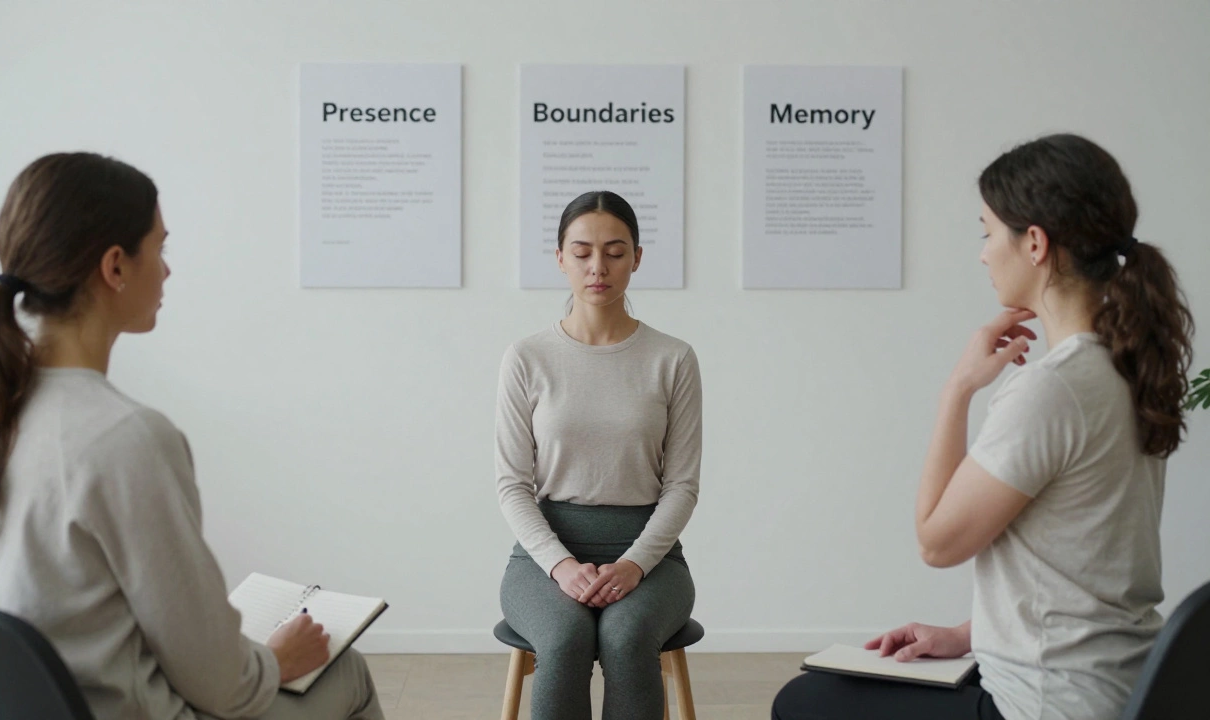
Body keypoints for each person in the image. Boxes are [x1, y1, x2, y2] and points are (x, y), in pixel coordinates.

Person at [0, 152, 383, 720]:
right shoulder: (127, 438)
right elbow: (224, 687)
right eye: (160, 248)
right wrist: (276, 658)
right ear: (115, 266)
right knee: (346, 673)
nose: (167, 270)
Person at [773, 133, 1195, 720]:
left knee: (804, 704)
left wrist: (958, 389)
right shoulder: (1127, 366)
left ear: (1036, 243)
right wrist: (967, 633)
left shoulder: (1053, 388)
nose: (982, 252)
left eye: (987, 231)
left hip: (1044, 703)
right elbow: (1085, 564)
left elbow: (936, 542)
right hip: (1114, 684)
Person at [496, 190, 702, 720]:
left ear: (636, 257)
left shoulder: (672, 358)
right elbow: (513, 485)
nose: (598, 267)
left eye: (614, 251)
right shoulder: (527, 357)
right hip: (545, 555)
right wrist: (561, 566)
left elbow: (682, 485)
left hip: (650, 558)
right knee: (563, 639)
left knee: (628, 635)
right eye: (582, 251)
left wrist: (634, 564)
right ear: (560, 257)